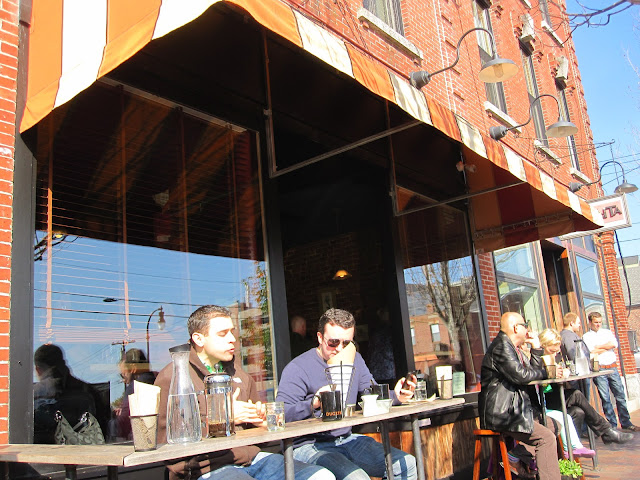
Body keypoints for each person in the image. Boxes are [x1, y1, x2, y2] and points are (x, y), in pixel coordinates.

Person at [155, 305, 335, 480]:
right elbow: (165, 444)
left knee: (321, 475)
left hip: (251, 459)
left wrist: (262, 423)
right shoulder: (175, 377)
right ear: (199, 339)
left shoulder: (240, 375)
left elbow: (260, 439)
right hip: (204, 469)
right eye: (223, 334)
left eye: (232, 332)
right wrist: (223, 418)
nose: (232, 339)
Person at [276, 308, 417, 480]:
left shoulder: (354, 359)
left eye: (346, 343)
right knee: (357, 478)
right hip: (308, 445)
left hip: (346, 438)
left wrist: (397, 396)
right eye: (333, 342)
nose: (339, 348)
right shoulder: (298, 367)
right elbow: (281, 414)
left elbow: (370, 392)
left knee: (407, 464)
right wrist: (314, 403)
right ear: (320, 337)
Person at [478, 312, 560, 480]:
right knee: (546, 438)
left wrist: (536, 349)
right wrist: (547, 372)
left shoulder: (513, 348)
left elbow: (530, 374)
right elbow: (521, 376)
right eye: (525, 325)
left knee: (554, 425)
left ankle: (514, 456)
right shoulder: (501, 347)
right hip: (503, 413)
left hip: (516, 409)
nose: (527, 329)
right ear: (516, 328)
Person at [538, 329, 630, 446]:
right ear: (544, 345)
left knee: (578, 411)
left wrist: (564, 371)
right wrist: (549, 374)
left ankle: (574, 449)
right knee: (576, 394)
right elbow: (539, 379)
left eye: (557, 351)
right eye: (552, 350)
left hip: (554, 395)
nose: (555, 354)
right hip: (543, 400)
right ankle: (606, 431)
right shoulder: (537, 359)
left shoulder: (553, 359)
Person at [33, 344, 109, 444]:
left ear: (38, 369)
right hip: (87, 451)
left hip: (41, 452)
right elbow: (102, 431)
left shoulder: (32, 395)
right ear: (64, 363)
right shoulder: (89, 392)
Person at [582, 311, 638, 432]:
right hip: (599, 368)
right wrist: (606, 346)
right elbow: (591, 351)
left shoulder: (607, 332)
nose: (598, 324)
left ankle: (626, 422)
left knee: (620, 395)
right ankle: (612, 425)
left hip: (612, 367)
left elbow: (614, 344)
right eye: (596, 322)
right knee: (605, 398)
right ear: (590, 322)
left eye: (600, 322)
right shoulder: (587, 336)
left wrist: (599, 347)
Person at [113, 348, 157, 440]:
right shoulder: (157, 379)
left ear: (133, 368)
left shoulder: (135, 388)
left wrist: (112, 420)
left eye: (123, 374)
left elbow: (123, 424)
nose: (123, 380)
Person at [559, 313, 590, 396]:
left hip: (578, 374)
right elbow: (574, 354)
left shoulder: (568, 335)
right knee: (582, 399)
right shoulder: (568, 336)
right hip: (578, 375)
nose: (580, 325)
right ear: (571, 323)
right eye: (578, 323)